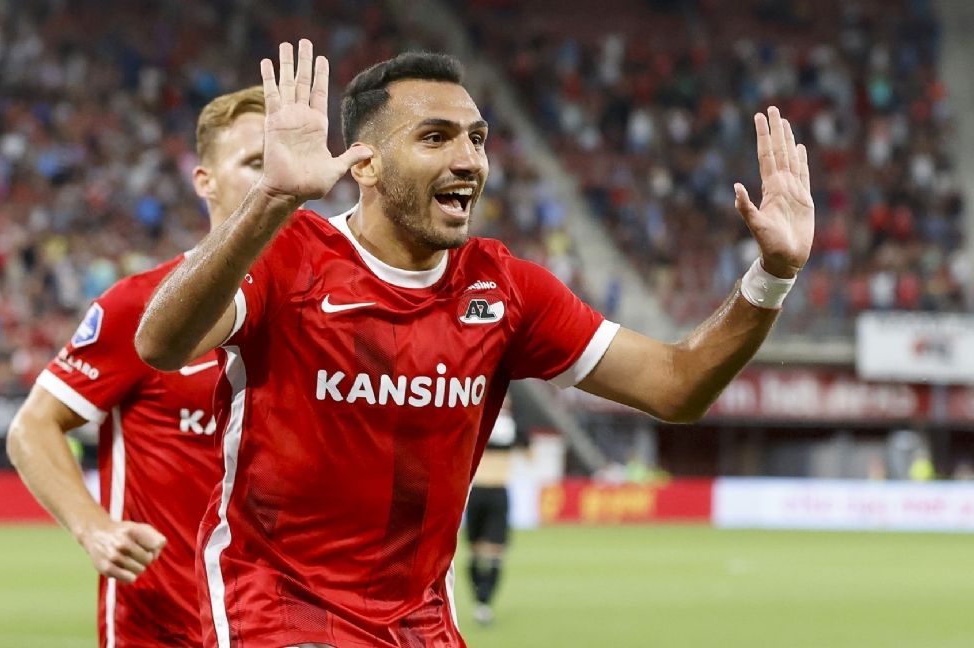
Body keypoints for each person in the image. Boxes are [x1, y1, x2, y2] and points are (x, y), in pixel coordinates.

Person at [135, 39, 813, 648]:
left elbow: (676, 386)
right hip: (281, 612)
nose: (468, 161)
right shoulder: (291, 255)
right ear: (365, 165)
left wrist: (773, 274)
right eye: (435, 138)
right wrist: (271, 200)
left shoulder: (506, 289)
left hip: (420, 624)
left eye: (477, 139)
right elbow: (160, 344)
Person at [7, 86, 266, 648]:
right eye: (256, 163)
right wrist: (93, 528)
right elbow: (33, 425)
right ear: (206, 182)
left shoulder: (335, 310)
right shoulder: (142, 306)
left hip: (283, 629)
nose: (277, 179)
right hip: (160, 629)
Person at [465, 394, 519, 626]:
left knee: (496, 551)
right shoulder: (478, 421)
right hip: (478, 491)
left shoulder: (512, 426)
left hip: (497, 491)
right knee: (475, 551)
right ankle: (480, 601)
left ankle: (484, 602)